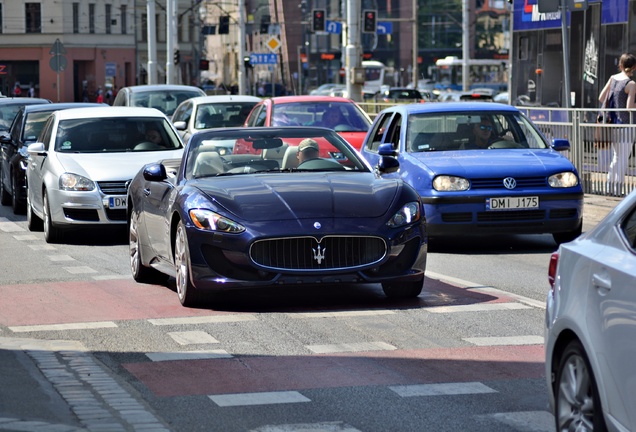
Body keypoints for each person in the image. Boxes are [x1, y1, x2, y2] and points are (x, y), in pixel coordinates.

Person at [598, 52, 636, 196]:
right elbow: (629, 107)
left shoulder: (613, 78)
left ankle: (609, 187)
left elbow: (601, 98)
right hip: (625, 126)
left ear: (621, 65)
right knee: (623, 158)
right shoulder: (631, 84)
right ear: (633, 67)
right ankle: (618, 190)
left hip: (611, 124)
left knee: (616, 157)